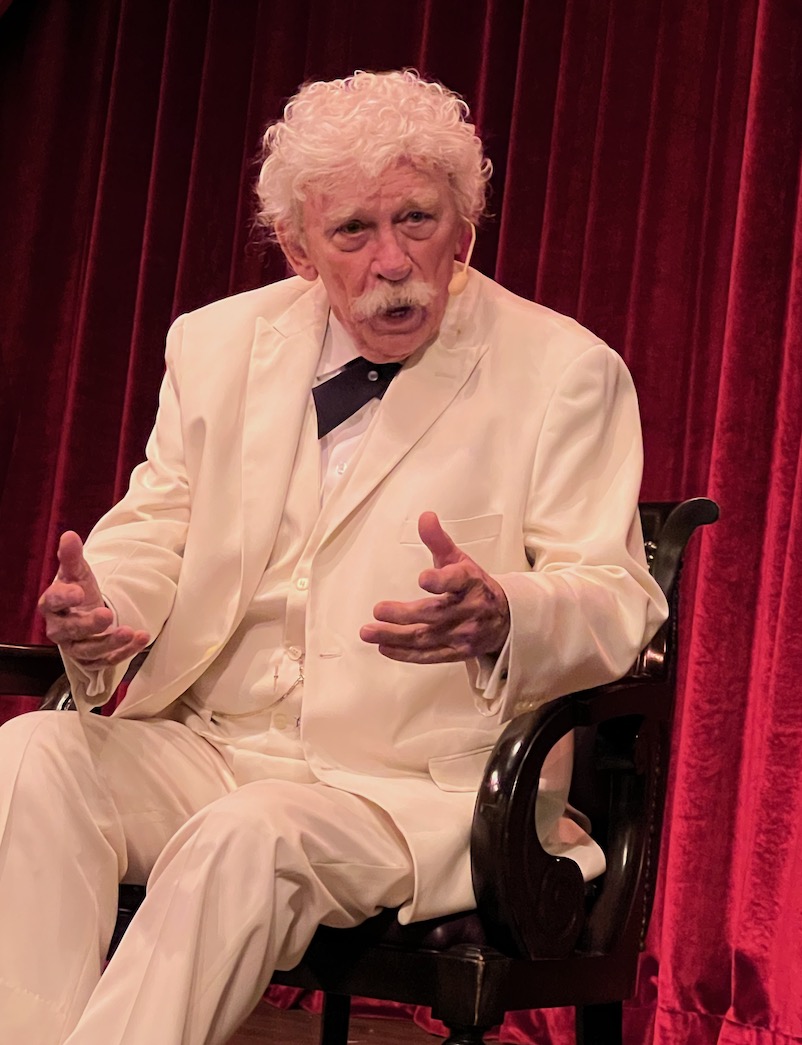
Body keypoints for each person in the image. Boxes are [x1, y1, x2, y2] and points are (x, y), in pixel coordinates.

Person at [0, 70, 667, 1044]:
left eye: (418, 219)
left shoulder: (564, 371)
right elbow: (154, 528)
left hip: (406, 787)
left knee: (249, 834)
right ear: (300, 248)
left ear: (465, 230)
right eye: (353, 230)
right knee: (30, 754)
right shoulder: (218, 343)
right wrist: (110, 610)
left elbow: (618, 600)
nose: (392, 258)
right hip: (214, 742)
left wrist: (510, 613)